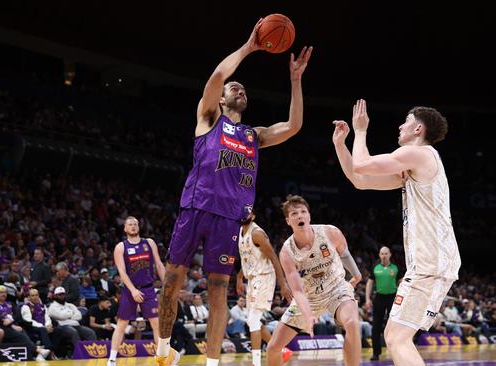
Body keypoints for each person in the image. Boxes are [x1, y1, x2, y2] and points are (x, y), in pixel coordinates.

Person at [155, 18, 313, 366]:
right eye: (235, 88)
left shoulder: (253, 136)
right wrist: (249, 47)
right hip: (196, 207)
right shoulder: (209, 118)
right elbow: (215, 78)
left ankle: (212, 363)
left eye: (243, 90)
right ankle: (163, 351)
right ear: (223, 98)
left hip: (229, 220)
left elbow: (294, 126)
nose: (240, 91)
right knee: (172, 281)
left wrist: (295, 81)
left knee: (217, 292)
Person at [332, 100, 461, 365]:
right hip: (431, 262)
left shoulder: (421, 154)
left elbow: (363, 164)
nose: (400, 125)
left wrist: (361, 130)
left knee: (396, 338)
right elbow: (360, 180)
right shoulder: (413, 166)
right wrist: (339, 145)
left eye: (406, 120)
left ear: (418, 129)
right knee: (396, 337)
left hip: (430, 261)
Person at [266, 195, 362, 366]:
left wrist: (356, 273)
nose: (300, 216)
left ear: (309, 216)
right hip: (309, 299)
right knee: (272, 348)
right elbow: (297, 291)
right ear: (288, 221)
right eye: (294, 214)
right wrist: (309, 316)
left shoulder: (330, 232)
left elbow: (344, 252)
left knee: (353, 323)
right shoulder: (287, 253)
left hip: (336, 289)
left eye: (303, 212)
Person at [235, 212, 292, 366]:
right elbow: (248, 260)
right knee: (252, 320)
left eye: (248, 211)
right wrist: (239, 276)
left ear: (253, 215)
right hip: (253, 277)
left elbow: (273, 257)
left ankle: (256, 363)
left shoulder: (257, 233)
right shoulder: (240, 232)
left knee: (253, 320)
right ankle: (282, 350)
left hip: (265, 276)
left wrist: (283, 284)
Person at [108, 216, 165, 366]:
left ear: (138, 227)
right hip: (129, 290)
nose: (133, 226)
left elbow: (159, 264)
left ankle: (161, 358)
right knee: (122, 324)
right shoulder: (121, 247)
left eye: (135, 224)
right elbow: (122, 272)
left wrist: (167, 284)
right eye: (130, 225)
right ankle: (112, 359)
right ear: (125, 229)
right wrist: (133, 290)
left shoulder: (149, 243)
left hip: (148, 289)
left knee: (156, 323)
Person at [365, 246, 399, 361]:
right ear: (379, 255)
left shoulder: (395, 268)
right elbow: (369, 283)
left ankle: (395, 352)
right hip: (379, 298)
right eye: (382, 253)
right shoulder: (375, 267)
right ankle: (376, 353)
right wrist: (367, 299)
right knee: (376, 327)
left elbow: (401, 283)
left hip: (392, 298)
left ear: (390, 254)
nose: (384, 255)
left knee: (394, 327)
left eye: (386, 253)